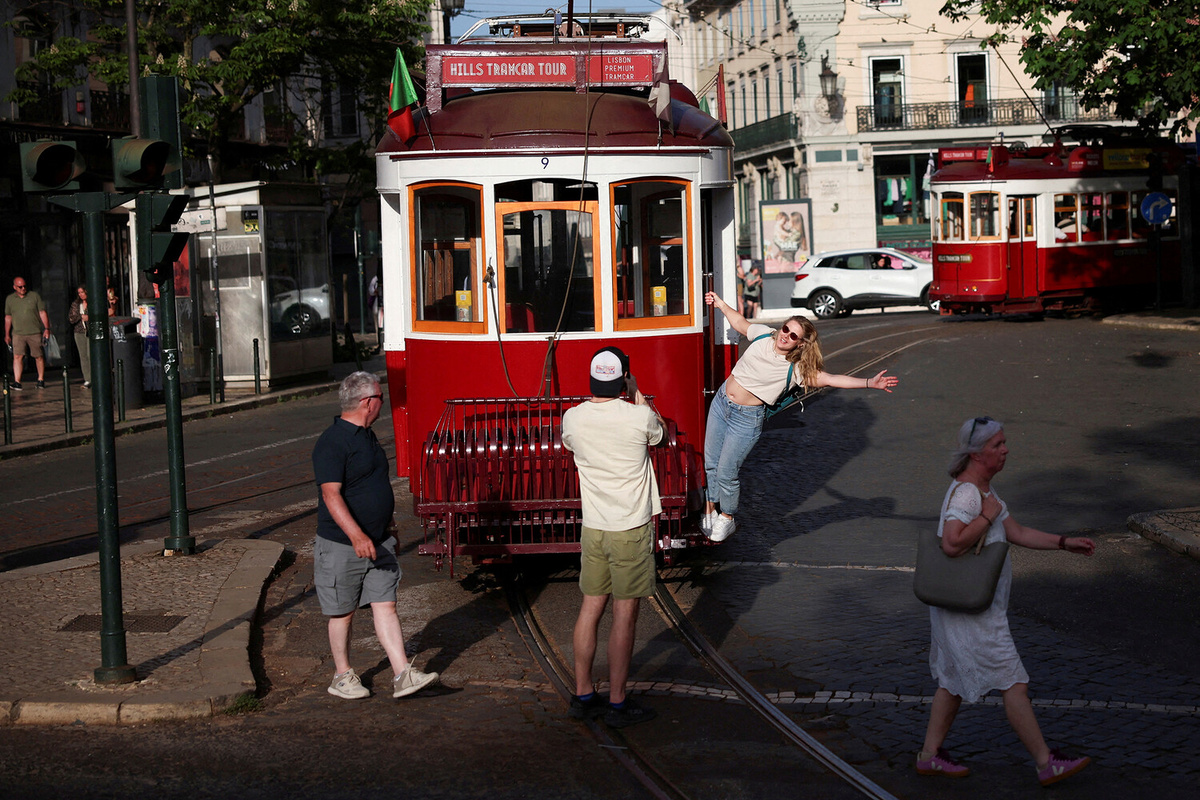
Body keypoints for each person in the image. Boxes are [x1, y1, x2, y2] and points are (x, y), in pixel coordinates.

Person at [917, 416, 1094, 787]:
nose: (1005, 449)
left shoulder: (985, 491)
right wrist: (985, 516)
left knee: (951, 681)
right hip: (972, 612)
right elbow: (952, 543)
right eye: (998, 444)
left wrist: (1065, 543)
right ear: (978, 453)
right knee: (1014, 683)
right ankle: (1046, 763)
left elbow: (1018, 532)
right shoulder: (969, 495)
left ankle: (929, 757)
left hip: (965, 607)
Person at [701, 292, 898, 542]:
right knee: (711, 462)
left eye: (793, 335)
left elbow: (831, 379)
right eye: (786, 329)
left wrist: (870, 382)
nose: (785, 335)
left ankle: (727, 518)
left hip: (746, 419)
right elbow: (740, 323)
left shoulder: (797, 371)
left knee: (727, 471)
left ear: (801, 344)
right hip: (721, 404)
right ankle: (709, 507)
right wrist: (721, 305)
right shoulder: (764, 334)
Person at [313, 371, 438, 700]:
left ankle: (402, 674)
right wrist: (356, 536)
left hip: (379, 540)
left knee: (386, 605)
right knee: (342, 612)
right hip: (343, 545)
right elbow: (331, 495)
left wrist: (388, 525)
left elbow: (373, 487)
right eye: (381, 398)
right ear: (368, 403)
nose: (384, 403)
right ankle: (342, 676)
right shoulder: (333, 441)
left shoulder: (366, 435)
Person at [562, 346, 665, 728]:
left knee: (591, 608)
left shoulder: (571, 418)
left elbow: (572, 443)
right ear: (623, 379)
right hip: (630, 528)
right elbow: (660, 436)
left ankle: (583, 693)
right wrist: (637, 393)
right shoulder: (638, 416)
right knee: (625, 613)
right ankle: (618, 701)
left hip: (594, 528)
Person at [4, 276, 51, 390]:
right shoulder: (10, 299)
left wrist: (47, 328)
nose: (23, 288)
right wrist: (7, 334)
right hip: (18, 333)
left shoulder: (34, 296)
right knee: (17, 356)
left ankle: (40, 379)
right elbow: (8, 317)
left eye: (24, 286)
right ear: (15, 287)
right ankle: (17, 381)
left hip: (34, 332)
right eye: (20, 287)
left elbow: (42, 312)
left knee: (38, 356)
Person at [67, 285, 92, 388]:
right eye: (79, 293)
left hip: (90, 331)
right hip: (79, 331)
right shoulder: (76, 304)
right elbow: (71, 318)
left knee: (90, 354)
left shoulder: (93, 302)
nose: (81, 294)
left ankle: (94, 377)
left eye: (83, 292)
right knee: (83, 356)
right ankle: (87, 379)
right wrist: (81, 316)